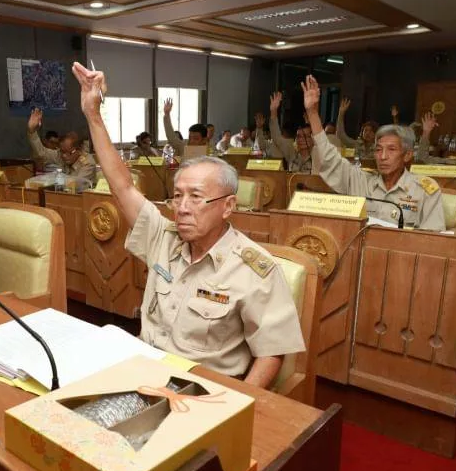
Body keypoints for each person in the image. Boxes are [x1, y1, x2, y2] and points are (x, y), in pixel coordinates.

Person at [72, 61, 305, 388]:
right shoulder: (164, 237)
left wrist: (236, 405)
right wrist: (93, 114)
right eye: (177, 196)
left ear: (228, 206)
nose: (182, 208)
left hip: (201, 391)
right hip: (143, 372)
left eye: (196, 197)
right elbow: (122, 186)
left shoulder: (254, 270)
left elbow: (271, 354)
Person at [303, 76, 445, 230]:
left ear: (407, 155)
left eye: (391, 149)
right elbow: (330, 158)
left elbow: (433, 238)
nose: (382, 156)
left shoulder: (424, 190)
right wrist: (312, 113)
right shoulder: (362, 181)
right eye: (378, 150)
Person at [26, 108, 96, 182]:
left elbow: (77, 184)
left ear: (79, 150)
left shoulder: (88, 163)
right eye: (62, 151)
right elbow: (41, 153)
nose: (64, 156)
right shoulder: (60, 155)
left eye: (69, 153)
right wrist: (32, 131)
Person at [269, 92, 313, 172]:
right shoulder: (291, 151)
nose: (302, 139)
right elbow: (276, 137)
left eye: (306, 136)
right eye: (299, 136)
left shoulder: (317, 156)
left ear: (312, 138)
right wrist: (273, 111)